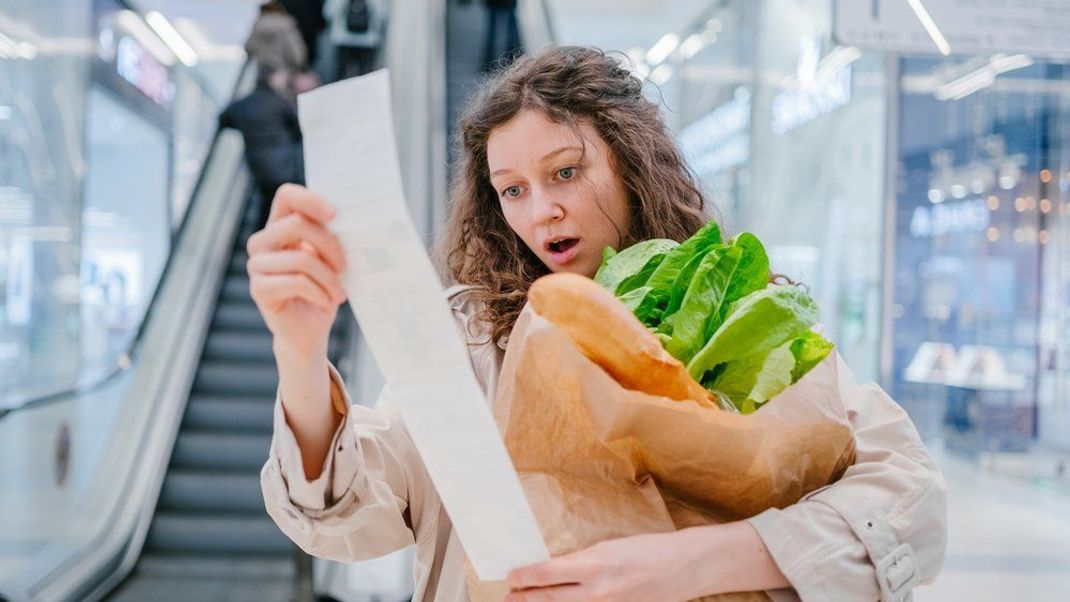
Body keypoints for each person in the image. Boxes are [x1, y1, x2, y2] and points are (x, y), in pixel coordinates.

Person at [250, 46, 947, 601]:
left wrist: (696, 562)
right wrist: (300, 353)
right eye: (512, 190)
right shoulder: (469, 336)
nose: (540, 211)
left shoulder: (738, 310)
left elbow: (909, 502)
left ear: (632, 162)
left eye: (566, 172)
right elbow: (354, 512)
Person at [220, 66, 304, 232]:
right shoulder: (280, 102)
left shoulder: (243, 103)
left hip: (258, 167)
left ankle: (261, 239)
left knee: (267, 203)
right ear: (271, 78)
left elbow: (223, 120)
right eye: (281, 77)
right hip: (282, 165)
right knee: (282, 202)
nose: (284, 81)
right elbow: (298, 129)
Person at [323, 0, 387, 79]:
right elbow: (382, 15)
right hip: (368, 42)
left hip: (342, 40)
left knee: (340, 77)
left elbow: (329, 12)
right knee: (365, 78)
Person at [245, 1, 309, 75]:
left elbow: (249, 47)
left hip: (262, 67)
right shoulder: (286, 25)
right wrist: (300, 65)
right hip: (282, 69)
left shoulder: (260, 24)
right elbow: (296, 52)